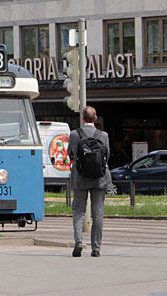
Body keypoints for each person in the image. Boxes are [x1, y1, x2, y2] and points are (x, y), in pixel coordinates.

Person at [68, 106, 111, 257]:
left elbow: (70, 154)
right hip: (100, 178)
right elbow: (108, 156)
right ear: (95, 118)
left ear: (82, 118)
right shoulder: (103, 135)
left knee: (78, 209)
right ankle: (96, 248)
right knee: (98, 212)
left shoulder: (75, 134)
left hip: (80, 177)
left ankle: (79, 241)